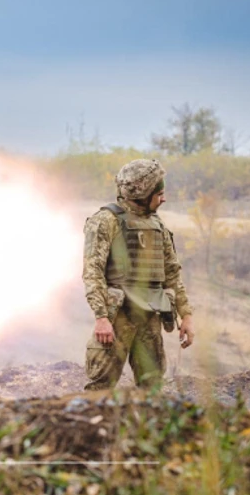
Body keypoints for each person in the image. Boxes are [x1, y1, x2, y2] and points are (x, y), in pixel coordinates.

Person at [83, 159, 195, 391]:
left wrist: (186, 315)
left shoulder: (157, 225)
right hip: (118, 319)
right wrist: (101, 318)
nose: (163, 198)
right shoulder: (106, 221)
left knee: (152, 388)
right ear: (143, 193)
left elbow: (172, 272)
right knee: (100, 388)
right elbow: (92, 272)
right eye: (159, 193)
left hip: (149, 316)